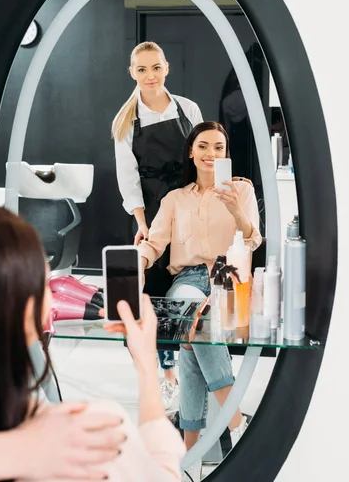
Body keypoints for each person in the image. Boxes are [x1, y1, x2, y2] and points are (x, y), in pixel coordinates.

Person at [0, 206, 185, 482]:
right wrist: (147, 363)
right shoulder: (87, 438)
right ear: (30, 311)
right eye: (46, 286)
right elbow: (162, 476)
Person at [138, 121, 262, 482]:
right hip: (190, 278)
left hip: (230, 274)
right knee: (195, 320)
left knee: (194, 341)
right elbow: (155, 242)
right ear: (191, 151)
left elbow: (253, 240)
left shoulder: (241, 190)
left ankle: (189, 451)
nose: (211, 154)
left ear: (227, 154)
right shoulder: (175, 200)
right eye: (204, 146)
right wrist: (139, 262)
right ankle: (236, 423)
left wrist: (236, 208)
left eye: (219, 148)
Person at [112, 41, 203, 411]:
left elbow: (204, 157)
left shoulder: (189, 109)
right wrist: (141, 222)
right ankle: (165, 376)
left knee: (188, 287)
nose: (150, 76)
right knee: (153, 293)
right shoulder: (124, 120)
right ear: (131, 72)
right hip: (150, 212)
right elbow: (127, 176)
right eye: (141, 69)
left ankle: (193, 373)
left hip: (187, 205)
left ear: (167, 68)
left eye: (156, 68)